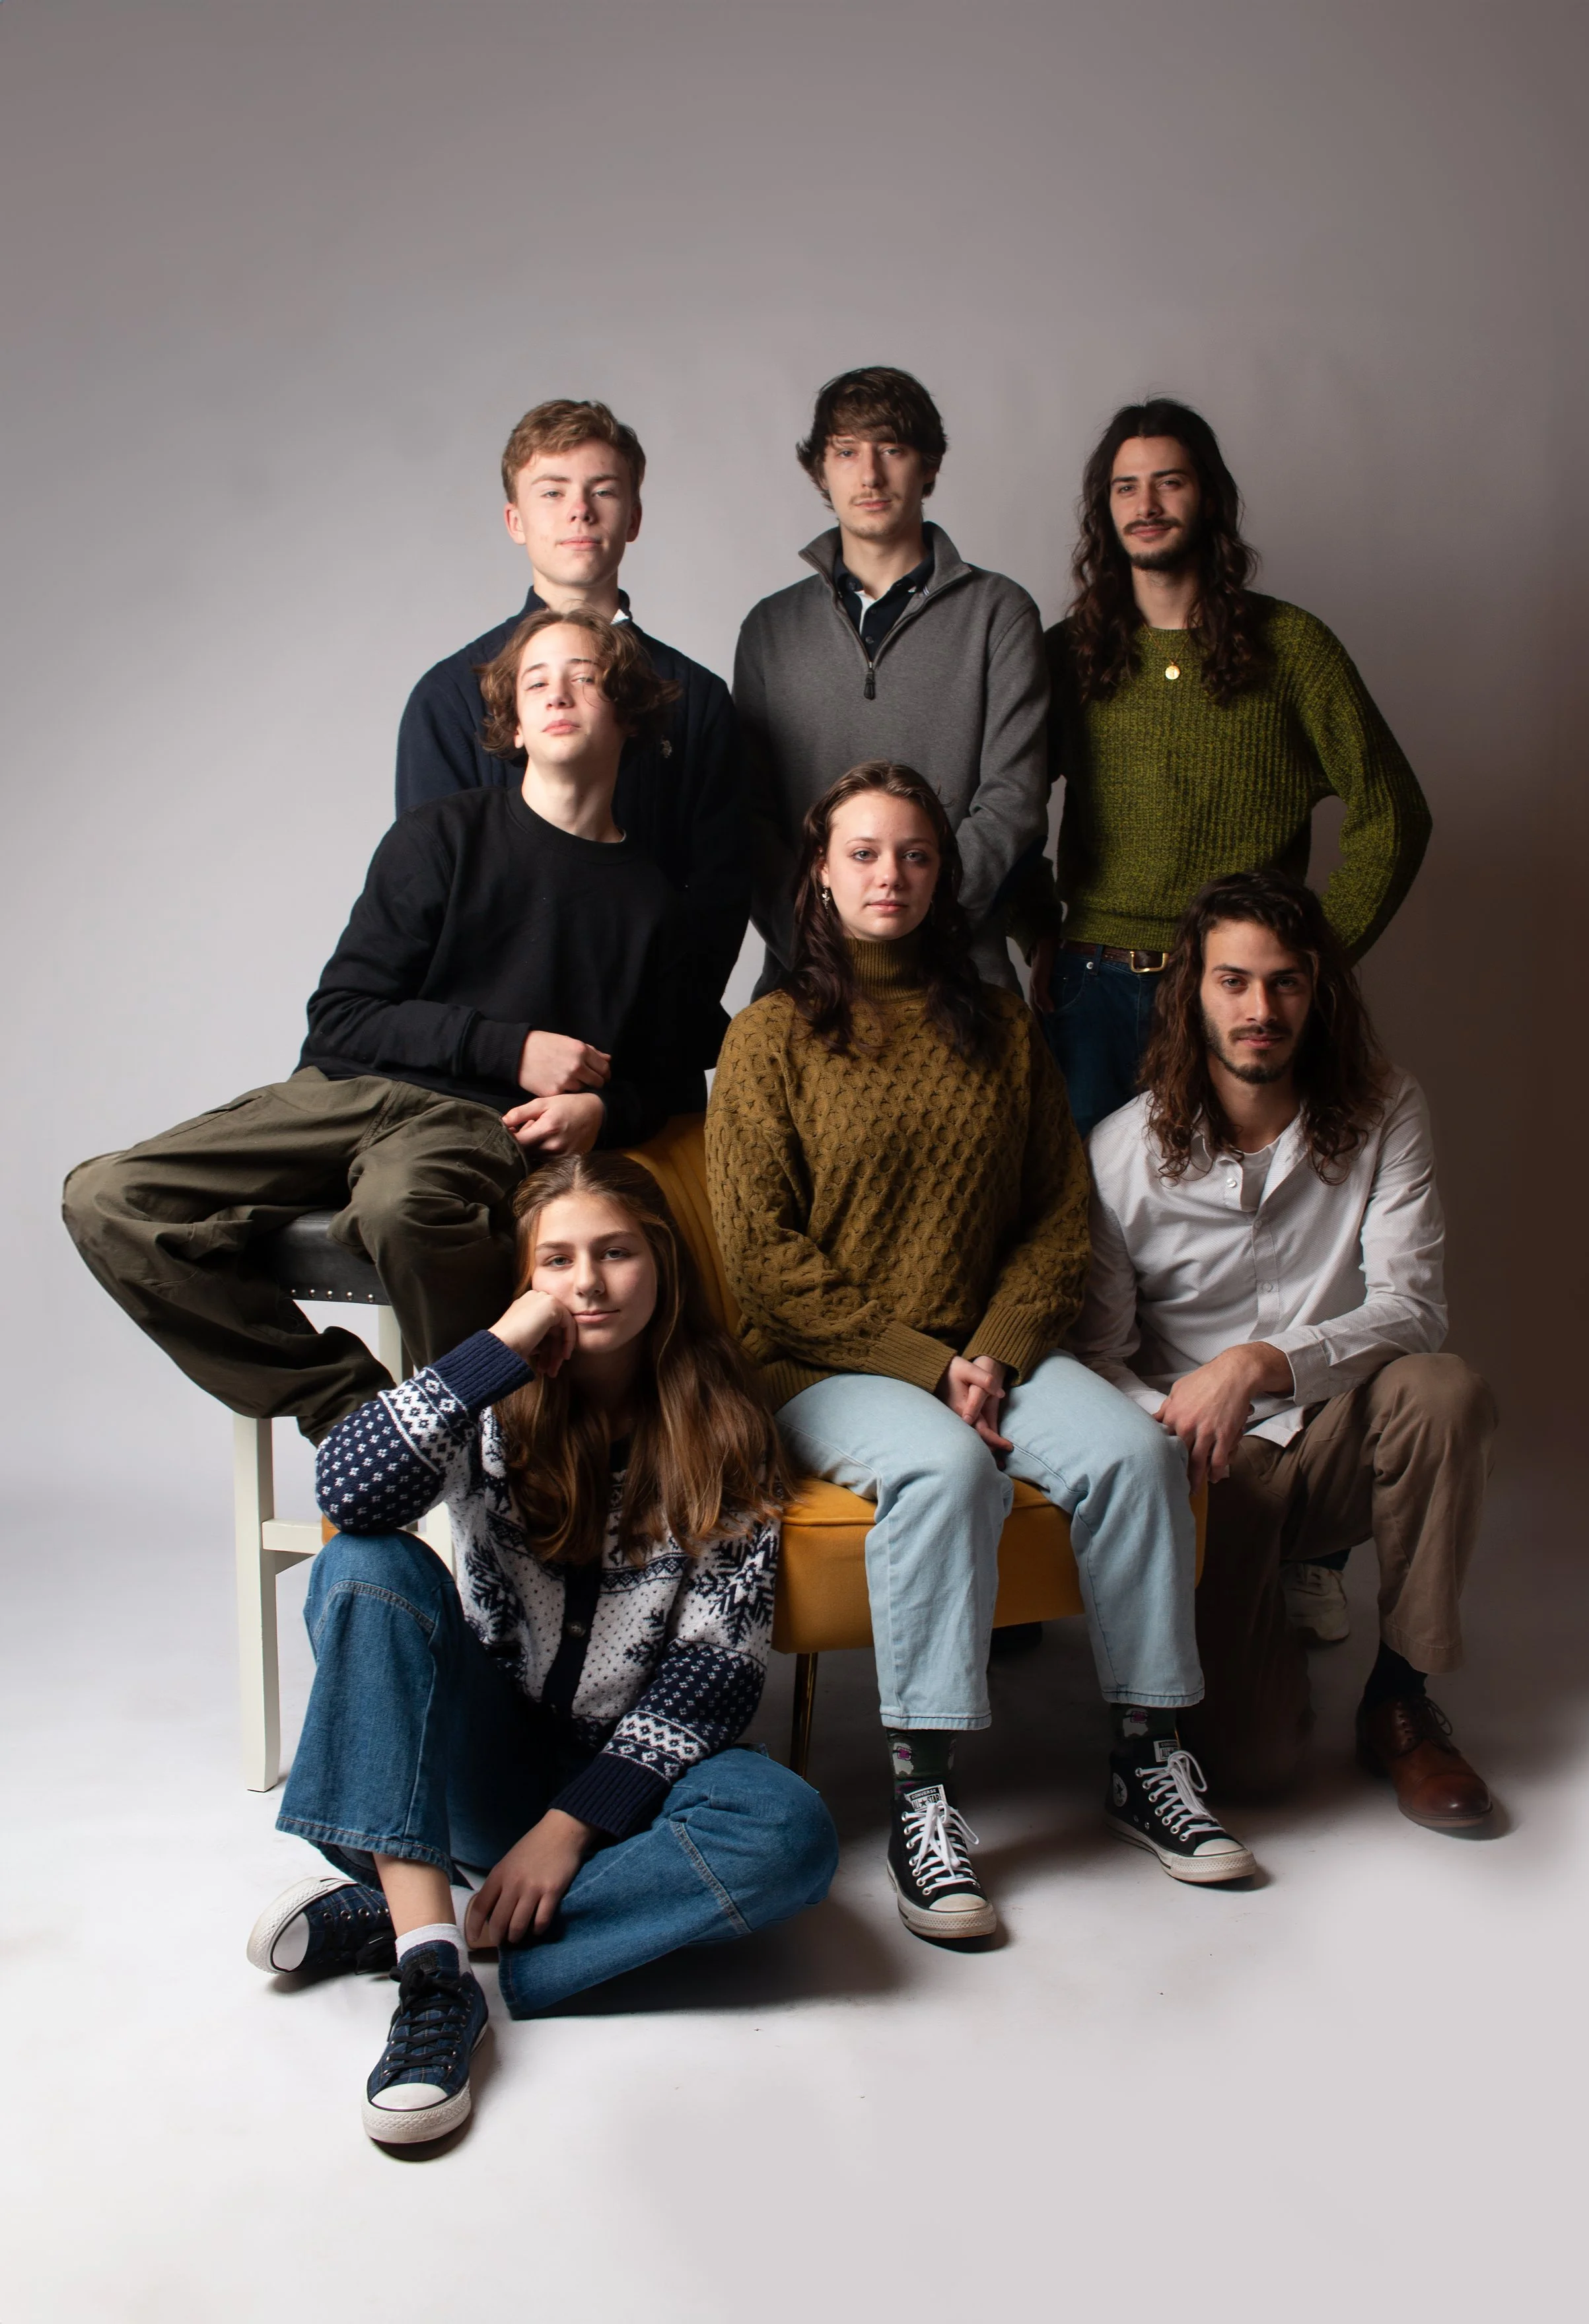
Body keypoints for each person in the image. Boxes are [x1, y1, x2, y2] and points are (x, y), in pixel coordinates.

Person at [706, 761, 1255, 1947]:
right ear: (821, 873)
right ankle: (926, 1798)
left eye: (913, 853)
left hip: (988, 1353)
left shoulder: (1001, 1026)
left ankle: (1147, 1761)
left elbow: (1061, 1218)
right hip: (827, 1364)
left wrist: (994, 1355)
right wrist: (925, 1364)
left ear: (944, 873)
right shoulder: (767, 1040)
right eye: (863, 853)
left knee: (1136, 1457)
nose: (889, 875)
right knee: (948, 1472)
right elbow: (763, 1262)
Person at [244, 1153, 837, 2146]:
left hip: (630, 1795)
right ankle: (438, 1982)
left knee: (791, 1833)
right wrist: (500, 1349)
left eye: (616, 1252)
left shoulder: (728, 1425)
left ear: (663, 1264)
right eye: (555, 1260)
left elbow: (714, 1678)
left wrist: (569, 1828)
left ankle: (415, 1915)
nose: (589, 1283)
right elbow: (347, 1495)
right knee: (365, 1565)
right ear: (526, 1278)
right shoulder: (490, 1397)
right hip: (480, 1756)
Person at [65, 607, 697, 1444]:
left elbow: (676, 1073)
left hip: (471, 1124)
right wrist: (509, 1045)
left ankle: (497, 1446)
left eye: (584, 676)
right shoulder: (440, 837)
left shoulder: (650, 900)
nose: (558, 694)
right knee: (108, 1197)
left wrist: (600, 1112)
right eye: (536, 681)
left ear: (625, 710)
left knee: (404, 1208)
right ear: (510, 721)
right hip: (341, 1094)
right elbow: (341, 1016)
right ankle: (364, 1418)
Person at [1073, 870, 1497, 1828]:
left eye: (1286, 982)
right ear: (1192, 992)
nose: (1261, 1009)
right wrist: (1168, 1427)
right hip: (1210, 1472)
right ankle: (1227, 1642)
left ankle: (1401, 1696)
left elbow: (1414, 1308)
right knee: (1256, 1767)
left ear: (1318, 990)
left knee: (1444, 1391)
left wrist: (1261, 1363)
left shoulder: (1388, 1108)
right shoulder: (1120, 1153)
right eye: (1234, 982)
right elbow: (1097, 1353)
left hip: (1339, 1427)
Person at [1013, 397, 1432, 1136]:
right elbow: (1004, 802)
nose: (1146, 504)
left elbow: (1392, 813)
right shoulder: (1066, 654)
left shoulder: (1293, 648)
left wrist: (1310, 956)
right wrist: (1031, 923)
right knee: (1082, 1223)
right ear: (1103, 510)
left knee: (1228, 1227)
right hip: (1093, 989)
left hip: (1232, 995)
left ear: (1208, 495)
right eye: (1125, 487)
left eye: (1169, 482)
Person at [396, 398, 748, 1066]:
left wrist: (625, 1077)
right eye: (551, 492)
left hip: (644, 1066)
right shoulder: (447, 698)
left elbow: (719, 896)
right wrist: (510, 1052)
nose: (579, 511)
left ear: (634, 518)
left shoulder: (697, 699)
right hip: (489, 1069)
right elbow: (428, 902)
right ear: (515, 521)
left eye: (602, 491)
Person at [734, 367, 1048, 998]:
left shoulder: (999, 614)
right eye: (846, 452)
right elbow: (751, 817)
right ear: (820, 472)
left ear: (929, 466)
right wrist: (813, 937)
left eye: (892, 450)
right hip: (806, 977)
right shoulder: (771, 626)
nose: (869, 475)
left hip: (962, 975)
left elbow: (1013, 799)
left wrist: (927, 924)